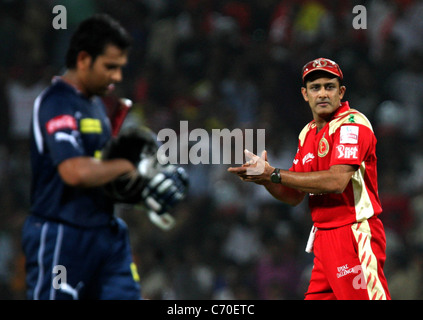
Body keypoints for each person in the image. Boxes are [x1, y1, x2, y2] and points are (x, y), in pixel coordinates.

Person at [22, 14, 186, 300]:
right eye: (110, 67)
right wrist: (127, 166)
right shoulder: (58, 102)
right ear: (84, 60)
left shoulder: (95, 106)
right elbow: (74, 172)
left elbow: (101, 177)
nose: (117, 77)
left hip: (103, 232)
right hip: (63, 232)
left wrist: (141, 189)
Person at [228, 57, 391, 300]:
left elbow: (337, 182)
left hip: (353, 233)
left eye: (329, 86)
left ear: (341, 92)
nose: (323, 93)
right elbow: (294, 196)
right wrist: (265, 179)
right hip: (323, 239)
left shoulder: (352, 124)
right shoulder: (307, 134)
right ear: (305, 94)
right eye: (316, 88)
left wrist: (274, 174)